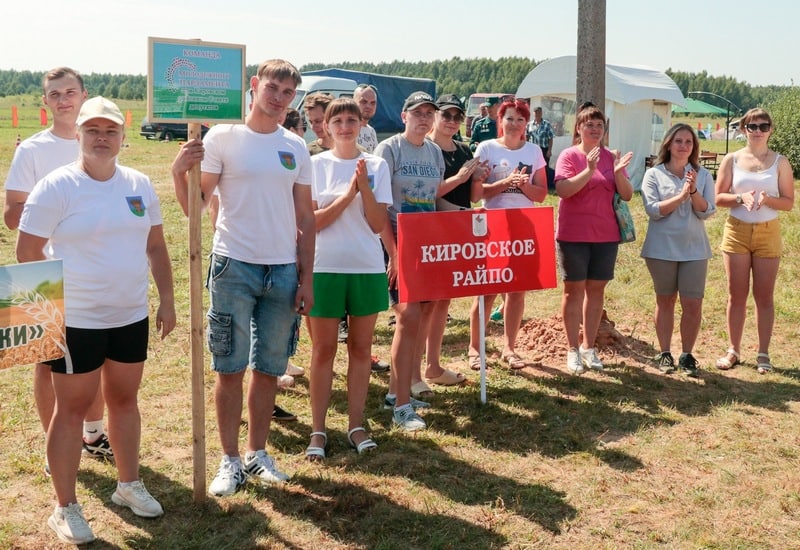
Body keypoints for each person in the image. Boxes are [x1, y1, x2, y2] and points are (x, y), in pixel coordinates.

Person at [17, 96, 175, 545]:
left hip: (128, 314)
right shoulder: (57, 186)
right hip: (75, 319)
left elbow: (156, 247)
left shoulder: (140, 184)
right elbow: (27, 253)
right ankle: (64, 507)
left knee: (125, 401)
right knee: (70, 411)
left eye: (110, 131)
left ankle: (128, 485)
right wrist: (46, 318)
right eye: (93, 131)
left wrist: (166, 300)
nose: (102, 138)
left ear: (123, 136)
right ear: (80, 135)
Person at [172, 59, 314, 496]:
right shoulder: (224, 137)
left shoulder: (296, 146)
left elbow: (305, 217)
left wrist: (306, 277)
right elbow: (196, 207)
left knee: (269, 368)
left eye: (288, 93)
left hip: (284, 270)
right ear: (254, 86)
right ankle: (229, 460)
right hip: (234, 264)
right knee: (229, 366)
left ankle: (256, 454)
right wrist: (180, 171)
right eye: (273, 87)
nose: (278, 98)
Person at [3, 67, 113, 470]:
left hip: (94, 268)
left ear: (85, 95)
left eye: (70, 92)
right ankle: (55, 443)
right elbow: (11, 217)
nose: (64, 99)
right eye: (55, 94)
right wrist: (53, 199)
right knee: (46, 361)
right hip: (40, 269)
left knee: (96, 358)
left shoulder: (101, 141)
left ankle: (94, 433)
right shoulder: (31, 150)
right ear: (45, 101)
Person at [306, 98, 391, 460]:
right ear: (325, 126)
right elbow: (312, 222)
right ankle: (318, 430)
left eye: (351, 120)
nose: (344, 126)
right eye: (337, 120)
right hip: (323, 267)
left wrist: (366, 189)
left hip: (366, 267)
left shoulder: (377, 165)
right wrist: (348, 194)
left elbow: (376, 224)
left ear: (360, 125)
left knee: (360, 349)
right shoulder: (314, 166)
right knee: (323, 350)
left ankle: (356, 425)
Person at [375, 91, 445, 431]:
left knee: (421, 316)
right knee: (407, 315)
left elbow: (434, 198)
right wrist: (392, 252)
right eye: (417, 112)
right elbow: (377, 202)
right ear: (404, 116)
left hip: (426, 244)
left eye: (429, 113)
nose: (424, 118)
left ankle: (396, 391)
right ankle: (401, 406)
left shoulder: (434, 152)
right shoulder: (388, 149)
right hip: (396, 241)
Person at [467, 99, 548, 370]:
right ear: (499, 120)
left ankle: (510, 348)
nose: (514, 124)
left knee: (516, 292)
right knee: (487, 290)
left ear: (527, 124)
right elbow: (477, 195)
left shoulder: (535, 151)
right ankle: (475, 348)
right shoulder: (486, 148)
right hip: (492, 225)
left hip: (524, 226)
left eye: (520, 120)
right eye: (509, 118)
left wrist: (523, 186)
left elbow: (541, 194)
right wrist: (505, 183)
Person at [554, 103, 633, 375]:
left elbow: (626, 195)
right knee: (572, 291)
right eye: (590, 124)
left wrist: (620, 171)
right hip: (573, 234)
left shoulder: (611, 157)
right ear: (578, 128)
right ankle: (572, 349)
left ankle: (589, 346)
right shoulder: (568, 155)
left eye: (600, 125)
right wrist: (588, 170)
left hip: (605, 235)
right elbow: (563, 190)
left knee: (596, 291)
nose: (595, 129)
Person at [714, 108, 794, 374]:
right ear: (743, 129)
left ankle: (763, 354)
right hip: (737, 231)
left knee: (764, 297)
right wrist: (740, 198)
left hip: (768, 232)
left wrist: (767, 200)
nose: (758, 131)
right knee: (736, 295)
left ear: (771, 129)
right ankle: (733, 350)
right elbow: (718, 197)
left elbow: (789, 202)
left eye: (763, 126)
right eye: (752, 126)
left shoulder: (780, 162)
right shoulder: (731, 159)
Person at [640, 123, 716, 377]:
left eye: (689, 142)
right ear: (669, 145)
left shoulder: (703, 175)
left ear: (694, 147)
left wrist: (692, 191)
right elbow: (654, 210)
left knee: (693, 303)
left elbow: (706, 211)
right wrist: (680, 196)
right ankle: (664, 352)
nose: (684, 146)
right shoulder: (654, 174)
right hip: (661, 249)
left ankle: (686, 354)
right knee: (666, 300)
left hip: (695, 249)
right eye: (679, 141)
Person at [423, 93, 487, 386]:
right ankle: (416, 368)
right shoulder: (424, 148)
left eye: (457, 116)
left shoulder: (464, 150)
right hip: (433, 231)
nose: (451, 121)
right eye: (446, 115)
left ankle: (432, 365)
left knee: (444, 301)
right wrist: (462, 179)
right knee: (426, 303)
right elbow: (429, 194)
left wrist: (477, 180)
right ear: (435, 116)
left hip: (459, 231)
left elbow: (473, 198)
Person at [526, 106, 556, 188]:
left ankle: (546, 184)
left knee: (544, 167)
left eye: (539, 112)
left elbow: (550, 138)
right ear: (533, 113)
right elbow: (527, 137)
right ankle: (533, 183)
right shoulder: (529, 125)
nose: (537, 114)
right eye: (536, 112)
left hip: (544, 149)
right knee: (532, 167)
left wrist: (549, 150)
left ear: (541, 113)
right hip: (532, 149)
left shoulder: (547, 124)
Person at [354, 83, 379, 153]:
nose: (369, 106)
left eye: (373, 103)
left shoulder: (371, 131)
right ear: (354, 102)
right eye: (364, 102)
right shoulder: (348, 130)